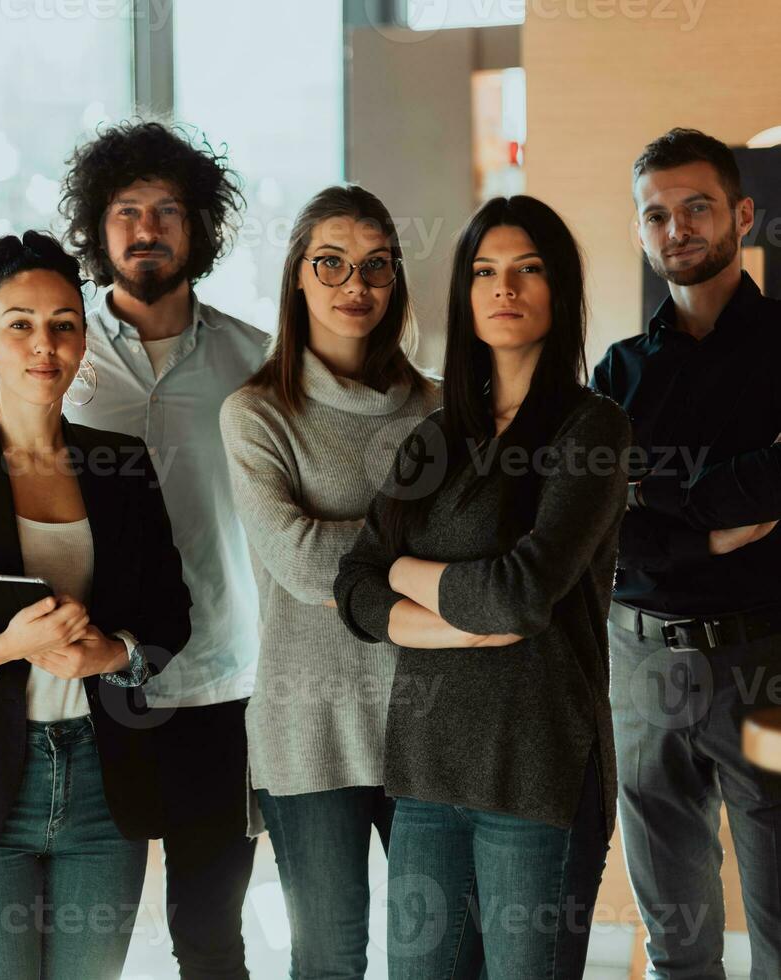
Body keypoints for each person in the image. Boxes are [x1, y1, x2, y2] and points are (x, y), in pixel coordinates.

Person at [0, 231, 192, 979]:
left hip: (101, 781)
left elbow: (170, 615)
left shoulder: (121, 465)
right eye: (18, 323)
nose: (42, 343)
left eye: (62, 324)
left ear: (82, 338)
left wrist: (109, 654)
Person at [335, 195, 633, 979]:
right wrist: (446, 618)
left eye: (526, 270)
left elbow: (519, 595)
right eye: (484, 272)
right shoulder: (436, 435)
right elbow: (354, 584)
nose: (504, 288)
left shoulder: (591, 428)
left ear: (558, 289)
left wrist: (406, 574)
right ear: (465, 296)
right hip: (426, 777)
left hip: (537, 772)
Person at [59, 120, 266, 977]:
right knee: (84, 935)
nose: (147, 229)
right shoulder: (50, 352)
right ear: (97, 228)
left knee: (209, 932)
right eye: (126, 210)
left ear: (200, 226)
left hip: (221, 684)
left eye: (168, 211)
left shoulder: (256, 362)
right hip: (82, 683)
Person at [219, 184, 438, 978]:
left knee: (435, 955)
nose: (356, 286)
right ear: (298, 278)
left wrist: (370, 560)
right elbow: (302, 563)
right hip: (306, 726)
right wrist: (422, 547)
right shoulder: (256, 414)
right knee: (328, 958)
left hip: (430, 721)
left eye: (375, 267)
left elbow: (482, 554)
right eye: (332, 264)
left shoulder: (442, 412)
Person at [593, 127, 781, 979]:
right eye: (657, 214)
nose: (677, 228)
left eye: (697, 207)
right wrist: (703, 528)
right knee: (674, 938)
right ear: (640, 230)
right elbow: (594, 527)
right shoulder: (617, 373)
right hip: (640, 665)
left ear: (741, 214)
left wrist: (651, 498)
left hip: (764, 666)